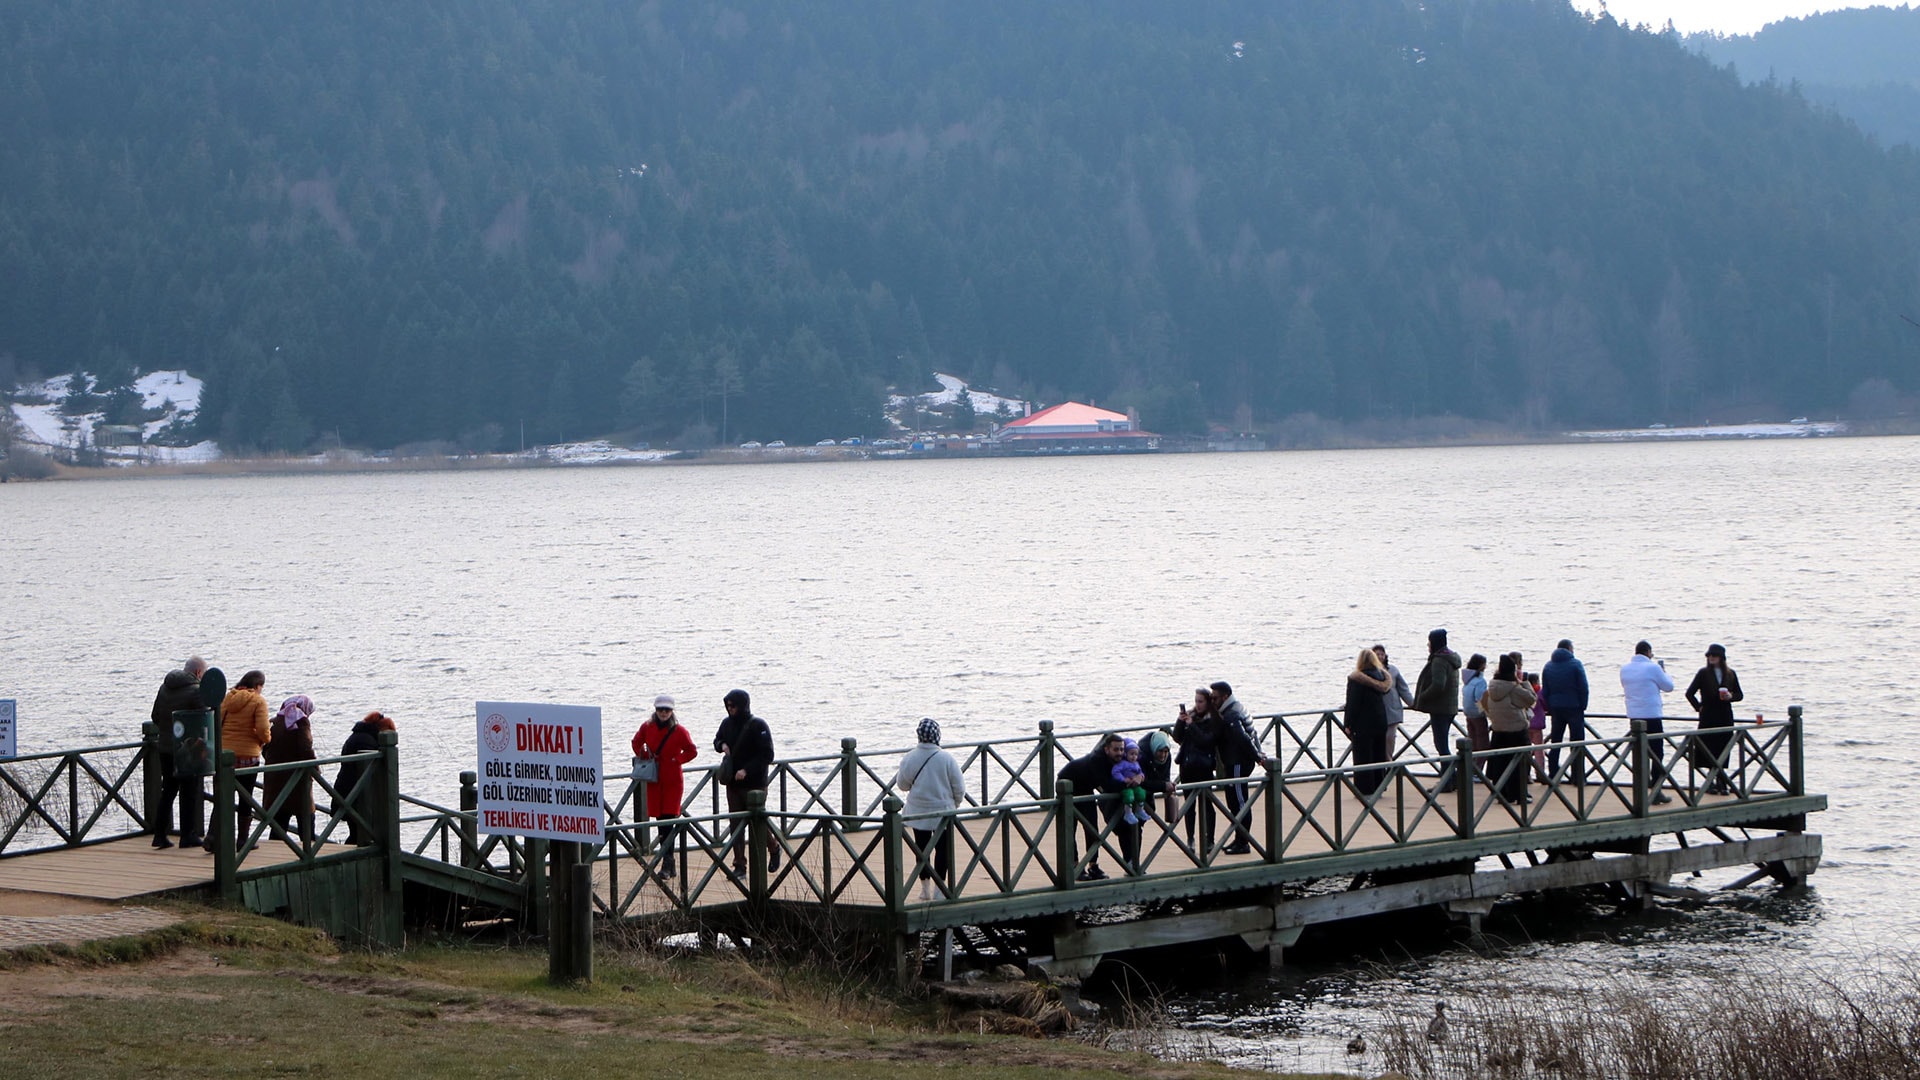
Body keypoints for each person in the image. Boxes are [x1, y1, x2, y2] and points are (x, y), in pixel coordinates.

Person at [895, 718, 964, 900]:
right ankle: (939, 891)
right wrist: (954, 805)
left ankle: (924, 890)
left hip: (918, 812)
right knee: (943, 851)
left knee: (922, 850)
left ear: (919, 736)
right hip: (943, 813)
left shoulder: (910, 757)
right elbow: (959, 788)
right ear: (937, 736)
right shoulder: (946, 758)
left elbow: (902, 785)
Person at [712, 689, 777, 875]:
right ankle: (739, 865)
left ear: (743, 705)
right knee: (736, 825)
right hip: (733, 783)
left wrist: (746, 770)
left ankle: (773, 848)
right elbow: (717, 739)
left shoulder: (758, 725)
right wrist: (721, 745)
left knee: (758, 822)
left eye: (733, 706)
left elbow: (768, 754)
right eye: (728, 705)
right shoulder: (726, 724)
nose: (730, 709)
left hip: (755, 783)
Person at [631, 694, 698, 875]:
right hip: (655, 779)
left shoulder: (679, 731)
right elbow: (636, 742)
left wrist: (678, 759)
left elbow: (692, 751)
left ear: (672, 711)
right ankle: (669, 863)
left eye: (667, 710)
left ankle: (667, 864)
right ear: (655, 710)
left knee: (669, 820)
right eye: (660, 709)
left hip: (673, 781)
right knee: (660, 821)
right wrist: (643, 754)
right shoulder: (647, 727)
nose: (663, 713)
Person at [148, 655, 208, 848]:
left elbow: (155, 716)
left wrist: (168, 732)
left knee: (169, 789)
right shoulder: (197, 691)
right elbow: (204, 720)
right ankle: (187, 834)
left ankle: (159, 834)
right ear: (199, 672)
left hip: (165, 748)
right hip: (187, 750)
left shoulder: (164, 688)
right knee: (189, 791)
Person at [210, 670, 270, 851]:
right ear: (258, 686)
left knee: (222, 797)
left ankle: (212, 838)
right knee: (246, 798)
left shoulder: (227, 698)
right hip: (248, 756)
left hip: (225, 755)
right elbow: (263, 729)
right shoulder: (258, 701)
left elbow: (216, 722)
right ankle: (242, 841)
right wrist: (265, 739)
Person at [1056, 733, 1128, 879]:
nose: (1119, 753)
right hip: (1068, 785)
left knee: (1092, 829)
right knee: (1070, 828)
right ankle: (1075, 866)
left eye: (1121, 749)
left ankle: (1093, 865)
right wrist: (1128, 782)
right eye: (1116, 750)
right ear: (1107, 749)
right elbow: (1107, 785)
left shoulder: (1119, 759)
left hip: (1086, 787)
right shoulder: (1098, 760)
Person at [1620, 641, 1678, 804]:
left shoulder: (1625, 669)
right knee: (1657, 753)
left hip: (1634, 716)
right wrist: (1665, 673)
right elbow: (1668, 687)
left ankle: (1641, 790)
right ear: (1648, 652)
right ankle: (1656, 790)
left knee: (1639, 754)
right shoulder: (1653, 668)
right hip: (1652, 715)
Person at [1685, 644, 1745, 795]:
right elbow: (1689, 693)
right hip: (1708, 716)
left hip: (1725, 715)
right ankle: (1710, 782)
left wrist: (1730, 696)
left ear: (1721, 658)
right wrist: (1699, 707)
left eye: (1714, 655)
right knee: (1707, 749)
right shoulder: (1703, 673)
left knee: (1723, 748)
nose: (1711, 658)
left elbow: (1739, 695)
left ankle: (1722, 782)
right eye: (1709, 656)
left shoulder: (1730, 674)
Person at [1209, 681, 1260, 855]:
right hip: (1236, 761)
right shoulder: (1236, 708)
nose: (1212, 701)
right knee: (1235, 802)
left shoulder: (1231, 715)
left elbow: (1244, 739)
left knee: (1239, 803)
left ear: (1225, 697)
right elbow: (1254, 734)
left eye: (1214, 698)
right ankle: (1239, 839)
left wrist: (1258, 757)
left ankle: (1243, 842)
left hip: (1238, 762)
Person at [1480, 654, 1537, 804]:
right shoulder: (1513, 689)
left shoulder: (1492, 687)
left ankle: (1502, 793)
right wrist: (1523, 682)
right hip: (1517, 731)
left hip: (1498, 731)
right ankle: (1520, 794)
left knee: (1501, 764)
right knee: (1520, 764)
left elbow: (1484, 705)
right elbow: (1531, 699)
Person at [261, 694, 316, 847]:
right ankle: (309, 853)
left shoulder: (275, 722)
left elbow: (265, 748)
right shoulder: (301, 721)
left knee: (278, 824)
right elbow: (305, 749)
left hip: (275, 781)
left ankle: (274, 856)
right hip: (297, 781)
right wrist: (315, 769)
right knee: (306, 822)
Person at [1413, 630, 1464, 790]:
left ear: (1434, 642)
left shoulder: (1439, 661)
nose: (1428, 645)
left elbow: (1438, 685)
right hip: (1450, 707)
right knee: (1443, 744)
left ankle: (1447, 781)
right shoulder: (1451, 658)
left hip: (1440, 708)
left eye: (1429, 641)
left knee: (1441, 745)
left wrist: (1422, 697)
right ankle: (1453, 778)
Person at [334, 711, 393, 845]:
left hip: (345, 789)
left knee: (357, 831)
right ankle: (351, 857)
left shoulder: (356, 737)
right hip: (356, 794)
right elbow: (369, 770)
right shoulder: (367, 741)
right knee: (360, 832)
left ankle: (351, 854)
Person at [1172, 689, 1219, 850]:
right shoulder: (1190, 717)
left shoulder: (1213, 720)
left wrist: (1191, 725)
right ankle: (1190, 838)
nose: (1197, 705)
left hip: (1204, 767)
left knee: (1207, 804)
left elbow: (1205, 741)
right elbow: (1177, 738)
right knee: (1189, 805)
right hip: (1187, 766)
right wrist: (1180, 721)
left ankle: (1209, 839)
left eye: (1201, 701)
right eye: (1196, 701)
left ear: (1208, 702)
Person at [1345, 650, 1394, 797]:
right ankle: (1380, 786)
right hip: (1380, 721)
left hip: (1363, 723)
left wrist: (1348, 723)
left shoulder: (1356, 679)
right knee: (1378, 754)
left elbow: (1353, 703)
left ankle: (1365, 788)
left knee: (1363, 757)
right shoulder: (1382, 677)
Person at [1540, 639, 1591, 780]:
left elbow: (1545, 691)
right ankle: (1578, 776)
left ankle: (1553, 774)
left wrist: (1550, 707)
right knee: (1577, 742)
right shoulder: (1576, 664)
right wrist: (1583, 705)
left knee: (1555, 741)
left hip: (1556, 708)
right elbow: (1583, 687)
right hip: (1574, 707)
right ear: (1569, 648)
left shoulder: (1548, 666)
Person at [1373, 645, 1416, 759]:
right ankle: (1382, 768)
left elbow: (1403, 689)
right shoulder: (1368, 672)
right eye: (1377, 654)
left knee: (1389, 740)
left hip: (1393, 711)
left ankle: (1389, 765)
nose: (1380, 656)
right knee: (1377, 742)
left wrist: (1413, 703)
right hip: (1376, 713)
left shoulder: (1393, 670)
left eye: (1382, 654)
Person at [1460, 654, 1490, 782]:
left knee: (1472, 743)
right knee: (1483, 744)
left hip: (1468, 713)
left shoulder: (1468, 680)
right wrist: (1489, 711)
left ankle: (1470, 771)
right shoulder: (1480, 681)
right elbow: (1480, 698)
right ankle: (1478, 772)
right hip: (1478, 715)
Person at [1139, 729, 1178, 822]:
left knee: (1146, 815)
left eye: (1166, 751)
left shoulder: (1167, 757)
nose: (1163, 755)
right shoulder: (1141, 756)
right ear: (1154, 748)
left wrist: (1169, 785)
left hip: (1149, 796)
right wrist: (1164, 786)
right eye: (1160, 751)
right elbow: (1141, 782)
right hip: (1137, 796)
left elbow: (1166, 776)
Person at [1111, 739, 1148, 826]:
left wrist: (1141, 777)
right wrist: (1123, 779)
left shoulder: (1137, 764)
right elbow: (1115, 772)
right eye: (1131, 754)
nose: (1133, 757)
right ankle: (1128, 813)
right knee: (1129, 796)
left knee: (1141, 793)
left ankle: (1140, 810)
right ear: (1126, 754)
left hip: (1135, 785)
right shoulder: (1122, 764)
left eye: (1135, 754)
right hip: (1126, 785)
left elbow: (1140, 772)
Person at [1526, 673, 1549, 782]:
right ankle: (1540, 773)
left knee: (1526, 750)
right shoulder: (1539, 692)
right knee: (1539, 750)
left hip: (1526, 724)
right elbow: (1546, 705)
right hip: (1537, 725)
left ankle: (1526, 773)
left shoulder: (1524, 692)